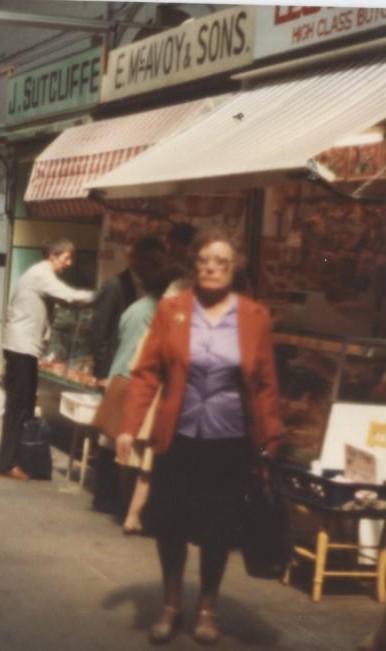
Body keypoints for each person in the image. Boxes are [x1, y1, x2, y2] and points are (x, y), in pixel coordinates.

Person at [114, 230, 282, 645]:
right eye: (204, 260)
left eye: (221, 262)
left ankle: (208, 607)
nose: (211, 267)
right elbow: (145, 373)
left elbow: (264, 386)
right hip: (179, 436)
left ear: (235, 268)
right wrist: (129, 428)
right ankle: (171, 604)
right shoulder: (173, 309)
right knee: (170, 524)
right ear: (194, 266)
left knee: (218, 530)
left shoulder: (254, 317)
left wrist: (268, 445)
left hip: (230, 441)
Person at [90, 265, 185, 534]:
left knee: (129, 458)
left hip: (124, 380)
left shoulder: (137, 308)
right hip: (149, 395)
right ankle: (133, 514)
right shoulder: (161, 319)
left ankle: (124, 508)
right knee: (146, 462)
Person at [0, 238, 94, 480]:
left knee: (24, 406)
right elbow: (68, 296)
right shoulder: (41, 274)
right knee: (18, 407)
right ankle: (7, 463)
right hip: (22, 347)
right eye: (66, 258)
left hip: (25, 346)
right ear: (53, 255)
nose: (69, 264)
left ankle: (17, 458)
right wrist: (99, 295)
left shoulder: (38, 273)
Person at [90, 236, 165, 516]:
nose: (155, 267)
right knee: (112, 435)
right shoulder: (115, 286)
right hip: (118, 371)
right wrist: (101, 371)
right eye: (153, 261)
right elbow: (100, 331)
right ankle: (105, 495)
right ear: (139, 260)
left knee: (113, 436)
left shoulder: (145, 296)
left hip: (123, 371)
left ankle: (108, 495)